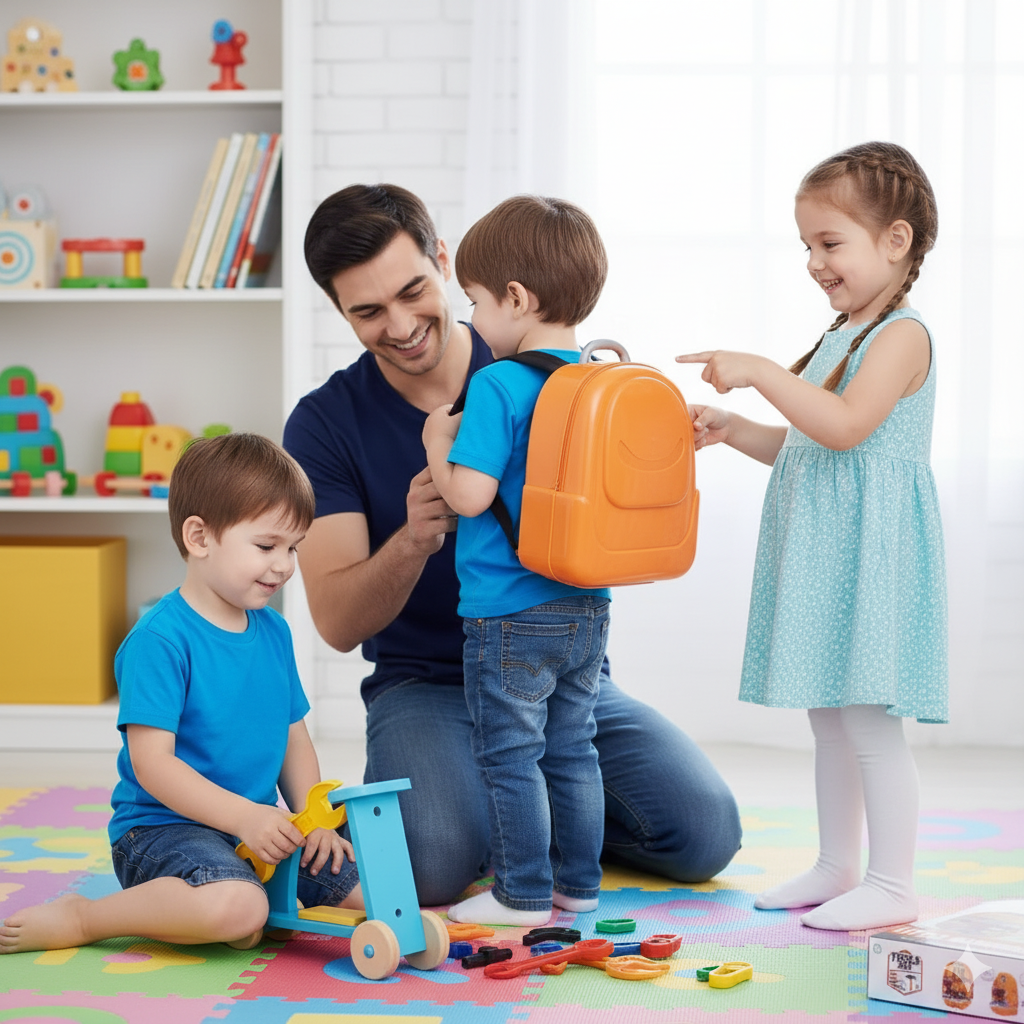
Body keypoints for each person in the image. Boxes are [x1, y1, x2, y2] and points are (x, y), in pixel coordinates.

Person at [284, 183, 742, 909]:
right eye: (367, 312)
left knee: (704, 833)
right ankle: (517, 810)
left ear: (443, 261)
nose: (400, 326)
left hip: (553, 670)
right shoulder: (323, 424)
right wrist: (412, 539)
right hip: (427, 686)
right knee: (432, 865)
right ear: (338, 311)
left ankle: (520, 808)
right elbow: (338, 624)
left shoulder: (543, 370)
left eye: (413, 291)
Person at [677, 141, 947, 931]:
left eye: (829, 242)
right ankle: (838, 864)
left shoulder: (902, 334)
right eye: (806, 245)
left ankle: (892, 882)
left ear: (894, 240)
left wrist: (762, 370)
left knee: (868, 722)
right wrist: (735, 428)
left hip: (872, 556)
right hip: (833, 553)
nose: (814, 262)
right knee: (828, 716)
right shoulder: (845, 330)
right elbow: (808, 442)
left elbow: (847, 426)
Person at [0, 433, 361, 956]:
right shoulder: (159, 640)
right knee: (240, 908)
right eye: (267, 546)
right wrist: (244, 817)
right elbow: (154, 766)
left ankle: (244, 899)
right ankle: (86, 918)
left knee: (369, 892)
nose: (284, 565)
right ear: (199, 537)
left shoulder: (275, 632)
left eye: (293, 548)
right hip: (163, 831)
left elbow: (293, 736)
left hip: (253, 829)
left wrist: (314, 817)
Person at [421, 196, 612, 925]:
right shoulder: (597, 379)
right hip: (587, 604)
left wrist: (437, 445)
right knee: (573, 750)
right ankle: (578, 885)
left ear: (516, 298)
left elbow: (470, 496)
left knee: (510, 754)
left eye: (474, 302)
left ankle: (522, 893)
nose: (471, 320)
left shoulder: (498, 384)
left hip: (508, 612)